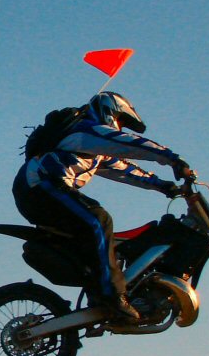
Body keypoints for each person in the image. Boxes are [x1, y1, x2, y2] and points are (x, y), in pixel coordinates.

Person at [12, 91, 190, 322]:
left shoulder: (94, 149)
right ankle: (110, 294)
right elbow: (126, 144)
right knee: (98, 219)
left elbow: (125, 169)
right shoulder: (84, 130)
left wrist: (163, 185)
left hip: (42, 189)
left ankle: (99, 286)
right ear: (110, 111)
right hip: (40, 187)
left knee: (93, 228)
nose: (121, 128)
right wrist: (172, 159)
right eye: (121, 121)